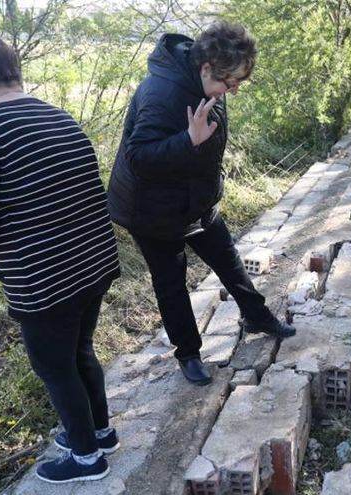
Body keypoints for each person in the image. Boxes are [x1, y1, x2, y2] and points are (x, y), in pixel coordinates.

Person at [0, 31, 120, 484]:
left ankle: (86, 459)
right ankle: (100, 432)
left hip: (44, 278)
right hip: (92, 262)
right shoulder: (58, 116)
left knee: (53, 366)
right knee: (81, 351)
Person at [107, 20, 295, 387]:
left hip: (195, 198)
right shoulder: (162, 93)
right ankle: (189, 354)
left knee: (227, 257)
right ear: (206, 67)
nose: (234, 90)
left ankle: (257, 316)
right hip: (151, 211)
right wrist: (187, 140)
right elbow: (139, 157)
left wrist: (203, 175)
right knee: (171, 281)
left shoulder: (210, 84)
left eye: (239, 81)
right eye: (230, 82)